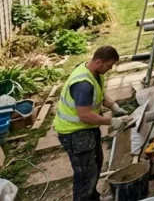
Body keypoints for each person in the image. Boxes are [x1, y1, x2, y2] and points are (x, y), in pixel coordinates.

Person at [53, 45, 133, 201]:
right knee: (85, 174)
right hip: (75, 133)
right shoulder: (83, 84)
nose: (110, 69)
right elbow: (85, 116)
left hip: (86, 130)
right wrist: (112, 121)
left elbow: (100, 96)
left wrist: (115, 108)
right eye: (109, 65)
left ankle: (93, 197)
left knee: (95, 164)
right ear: (98, 61)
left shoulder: (95, 73)